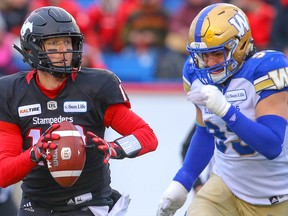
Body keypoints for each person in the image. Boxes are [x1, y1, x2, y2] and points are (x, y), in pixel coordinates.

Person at [0, 6, 158, 216]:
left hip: (89, 203)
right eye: (54, 43)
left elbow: (147, 136)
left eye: (68, 41)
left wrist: (114, 148)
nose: (65, 50)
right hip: (36, 205)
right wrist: (34, 153)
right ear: (32, 48)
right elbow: (4, 173)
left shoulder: (96, 86)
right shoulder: (12, 91)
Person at [157, 3, 288, 216]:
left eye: (217, 53)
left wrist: (226, 111)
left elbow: (272, 144)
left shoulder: (267, 68)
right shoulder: (194, 72)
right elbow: (205, 132)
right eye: (204, 55)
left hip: (278, 195)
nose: (209, 63)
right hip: (226, 185)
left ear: (240, 45)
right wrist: (183, 181)